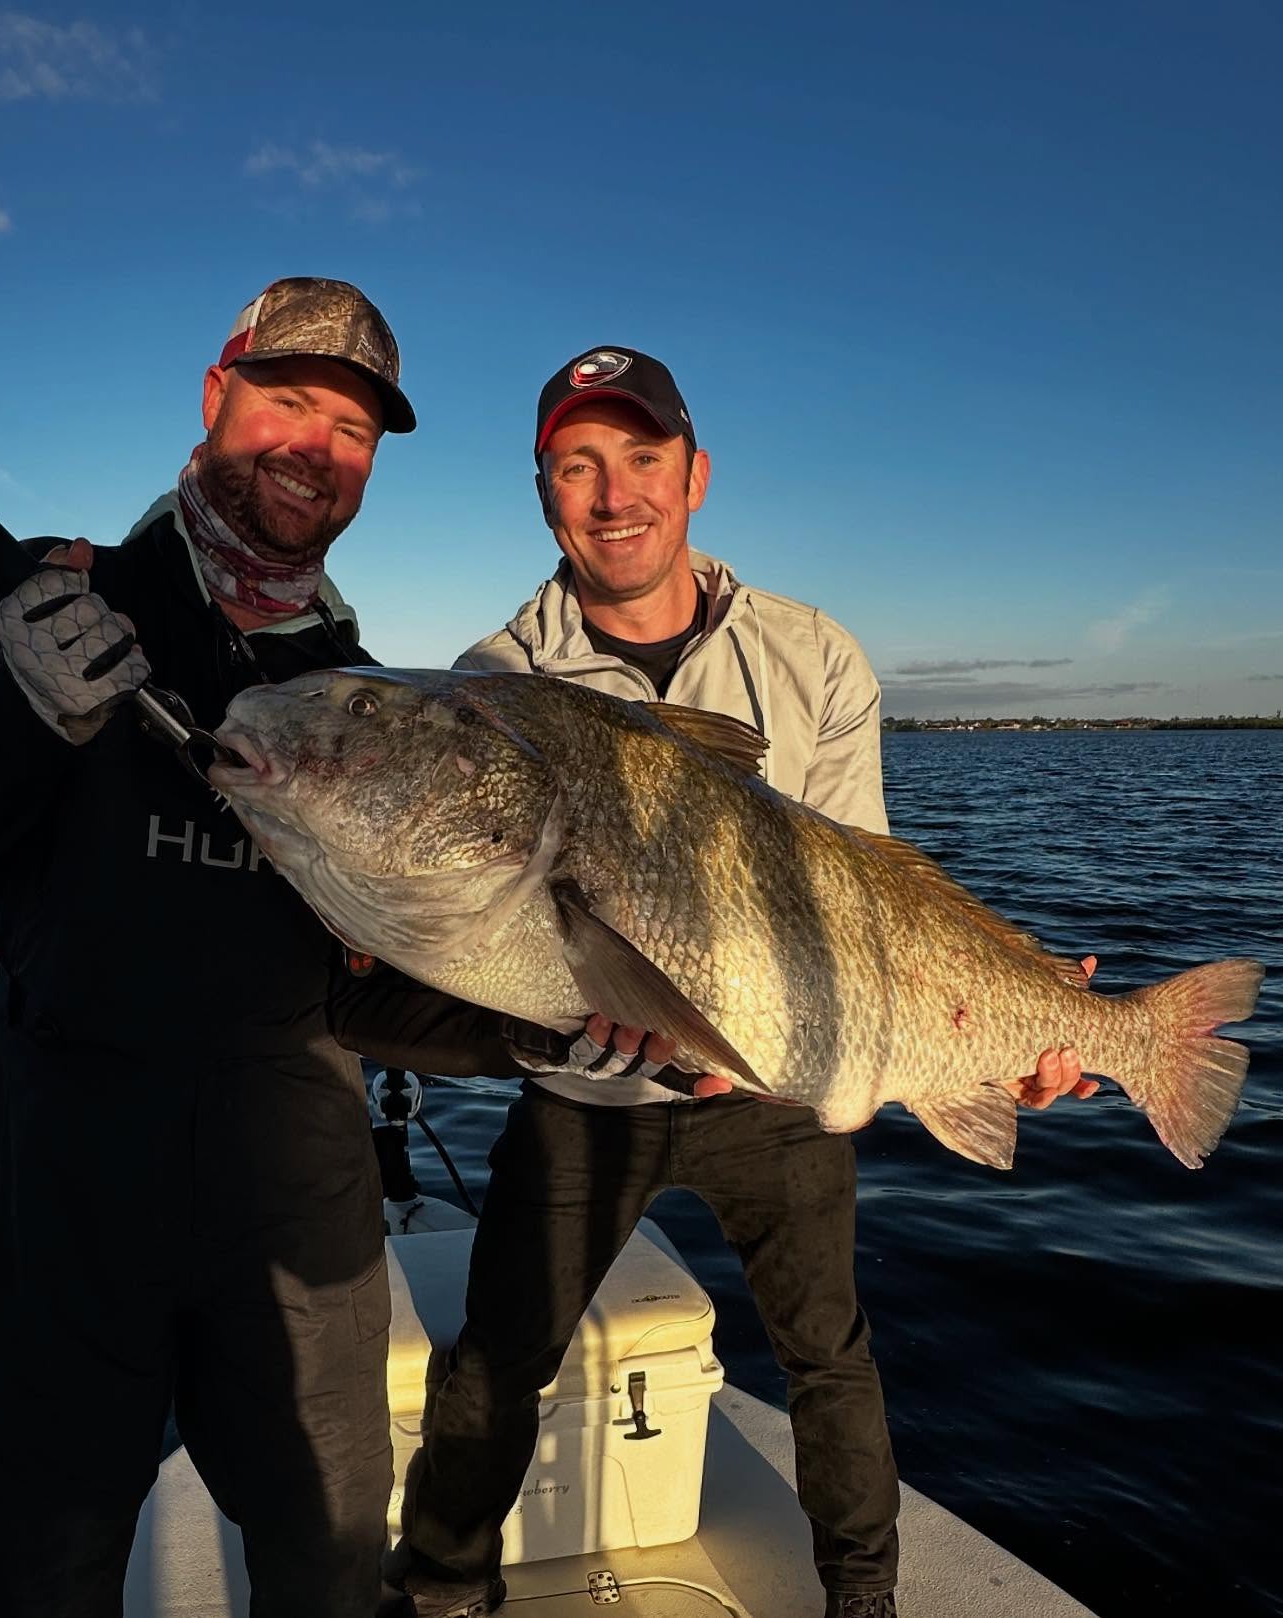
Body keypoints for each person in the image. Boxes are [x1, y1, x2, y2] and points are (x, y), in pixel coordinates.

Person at [0, 278, 530, 1618]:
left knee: (332, 1567)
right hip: (56, 1179)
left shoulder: (378, 701)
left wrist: (554, 1032)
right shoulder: (35, 594)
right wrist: (18, 717)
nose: (315, 449)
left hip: (296, 1189)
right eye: (287, 401)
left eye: (353, 430)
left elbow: (384, 994)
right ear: (217, 400)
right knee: (35, 1573)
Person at [393, 346, 1098, 1618]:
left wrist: (1007, 1020)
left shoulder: (812, 653)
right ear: (545, 492)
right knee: (497, 1357)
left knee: (828, 1354)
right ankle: (440, 1590)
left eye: (643, 459)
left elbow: (866, 894)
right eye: (579, 465)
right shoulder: (495, 683)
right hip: (584, 1081)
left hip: (773, 1083)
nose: (616, 495)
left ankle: (864, 1599)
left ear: (696, 475)